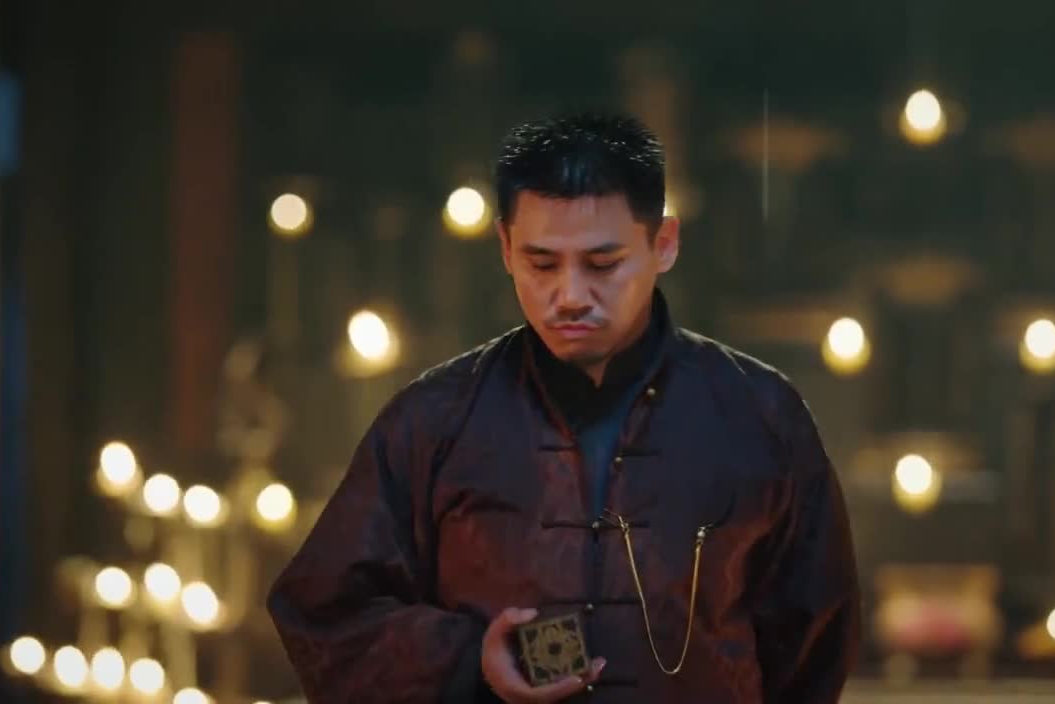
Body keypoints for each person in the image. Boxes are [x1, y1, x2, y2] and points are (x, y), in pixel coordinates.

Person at [268, 112, 862, 703]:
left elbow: (815, 643)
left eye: (603, 264)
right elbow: (323, 612)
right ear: (505, 248)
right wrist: (469, 661)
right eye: (542, 263)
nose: (571, 296)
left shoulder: (760, 415)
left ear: (664, 244)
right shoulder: (433, 420)